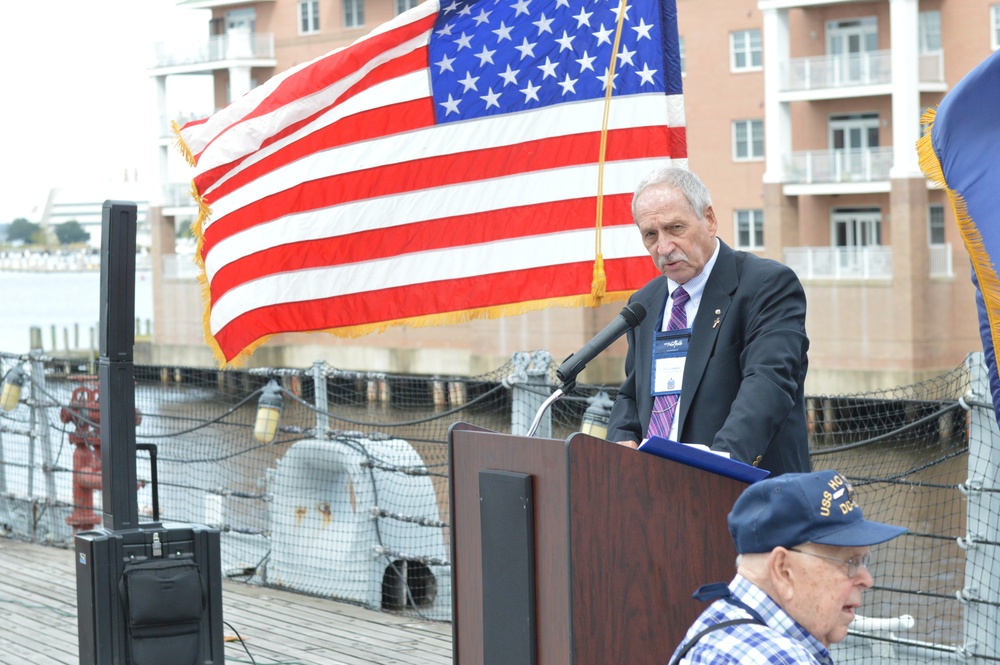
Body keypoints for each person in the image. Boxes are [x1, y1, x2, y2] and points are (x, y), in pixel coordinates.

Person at [606, 166, 810, 475]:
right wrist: (621, 440)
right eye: (651, 235)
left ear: (710, 220)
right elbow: (632, 394)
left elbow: (768, 384)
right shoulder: (643, 304)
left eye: (675, 228)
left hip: (742, 495)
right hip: (656, 492)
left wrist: (717, 466)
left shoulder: (767, 285)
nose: (663, 247)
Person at [669, 470, 907, 665]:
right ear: (783, 571)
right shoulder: (782, 659)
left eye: (864, 560)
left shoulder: (717, 624)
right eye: (851, 562)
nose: (867, 579)